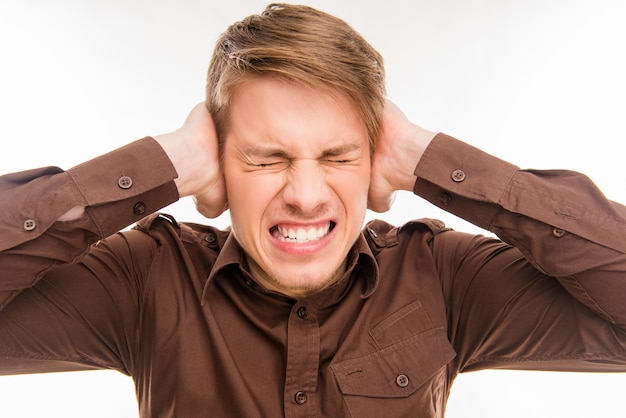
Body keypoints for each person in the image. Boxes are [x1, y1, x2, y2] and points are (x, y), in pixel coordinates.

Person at [1, 3, 625, 417]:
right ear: (216, 168)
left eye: (336, 155)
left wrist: (430, 158)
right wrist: (160, 163)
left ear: (377, 162)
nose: (304, 194)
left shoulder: (442, 278)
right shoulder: (143, 281)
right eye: (267, 158)